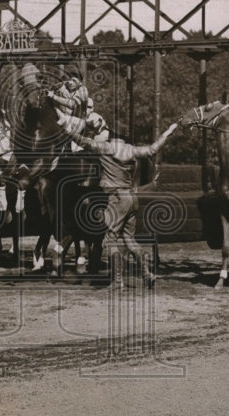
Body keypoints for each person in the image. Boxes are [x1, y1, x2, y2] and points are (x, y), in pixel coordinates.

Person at [61, 113, 179, 288]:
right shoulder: (131, 149)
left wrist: (67, 131)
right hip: (132, 198)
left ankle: (117, 281)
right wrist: (169, 131)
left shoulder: (105, 148)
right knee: (129, 239)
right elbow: (154, 149)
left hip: (117, 199)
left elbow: (83, 142)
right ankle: (147, 273)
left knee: (109, 240)